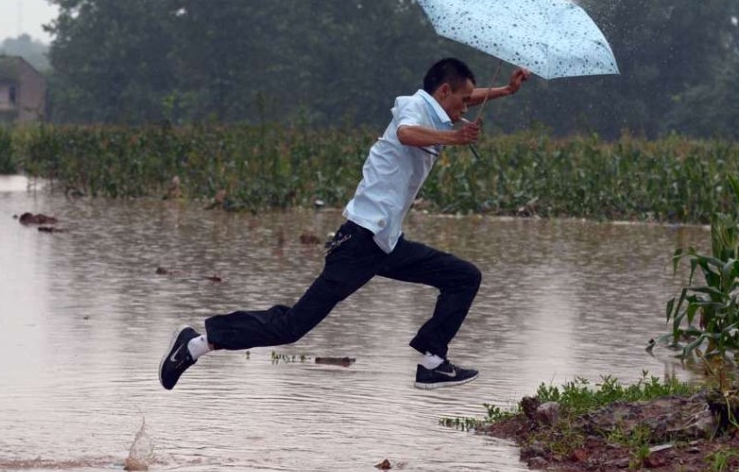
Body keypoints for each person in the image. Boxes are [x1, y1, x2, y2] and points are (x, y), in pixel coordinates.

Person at [160, 58, 529, 391]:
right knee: (291, 327)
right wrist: (454, 137)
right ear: (443, 91)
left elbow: (467, 96)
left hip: (385, 243)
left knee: (464, 277)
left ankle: (433, 361)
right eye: (462, 101)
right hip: (359, 243)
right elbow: (406, 134)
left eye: (469, 103)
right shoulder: (414, 107)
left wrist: (506, 91)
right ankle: (197, 343)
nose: (466, 108)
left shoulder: (436, 112)